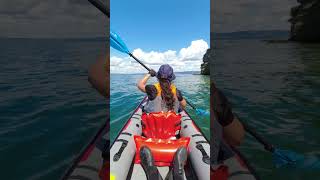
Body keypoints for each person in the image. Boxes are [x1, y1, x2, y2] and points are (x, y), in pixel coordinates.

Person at [137, 64, 188, 180]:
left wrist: (149, 74)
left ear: (158, 77)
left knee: (145, 109)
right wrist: (178, 100)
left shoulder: (152, 89)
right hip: (171, 135)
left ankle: (152, 172)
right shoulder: (177, 92)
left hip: (150, 135)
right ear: (172, 79)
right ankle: (177, 171)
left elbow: (139, 85)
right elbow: (184, 106)